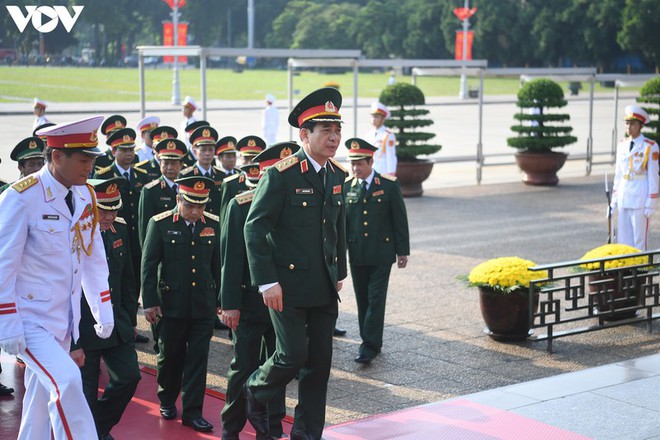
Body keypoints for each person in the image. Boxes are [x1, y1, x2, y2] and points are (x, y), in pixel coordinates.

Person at [0, 115, 114, 439]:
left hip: (63, 321)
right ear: (57, 156)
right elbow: (2, 263)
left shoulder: (84, 196)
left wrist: (101, 307)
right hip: (28, 320)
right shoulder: (21, 198)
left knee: (38, 399)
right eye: (83, 159)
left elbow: (92, 258)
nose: (89, 166)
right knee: (66, 381)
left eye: (92, 159)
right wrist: (5, 321)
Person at [243, 87, 348, 440]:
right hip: (285, 288)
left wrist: (339, 273)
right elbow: (254, 229)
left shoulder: (336, 175)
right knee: (291, 355)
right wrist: (266, 281)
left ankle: (307, 435)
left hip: (322, 285)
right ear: (304, 135)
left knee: (319, 367)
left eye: (337, 131)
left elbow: (338, 228)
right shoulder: (282, 175)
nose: (334, 138)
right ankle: (255, 389)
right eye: (325, 132)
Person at [220, 142, 299, 440]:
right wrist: (229, 305)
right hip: (250, 302)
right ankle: (232, 428)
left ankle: (271, 428)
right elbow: (231, 258)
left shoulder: (295, 201)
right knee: (243, 366)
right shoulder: (240, 205)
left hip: (283, 303)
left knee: (276, 369)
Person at [141, 176, 220, 433]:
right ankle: (166, 398)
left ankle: (193, 412)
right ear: (179, 200)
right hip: (171, 305)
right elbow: (149, 265)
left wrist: (221, 301)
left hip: (202, 306)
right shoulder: (161, 223)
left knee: (198, 360)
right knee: (170, 357)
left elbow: (218, 267)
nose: (196, 211)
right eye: (190, 205)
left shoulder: (213, 225)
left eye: (201, 206)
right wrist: (150, 303)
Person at [72, 177, 141, 440]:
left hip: (116, 323)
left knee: (129, 377)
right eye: (104, 209)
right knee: (85, 391)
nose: (110, 215)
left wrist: (129, 320)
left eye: (114, 208)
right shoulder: (74, 233)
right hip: (83, 327)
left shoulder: (119, 230)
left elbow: (128, 280)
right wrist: (71, 339)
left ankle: (97, 427)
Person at [343, 138, 410, 364]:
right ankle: (372, 340)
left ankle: (368, 345)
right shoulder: (346, 187)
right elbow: (342, 224)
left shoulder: (388, 185)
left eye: (359, 164)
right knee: (363, 299)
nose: (355, 169)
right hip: (357, 253)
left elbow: (399, 221)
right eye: (352, 164)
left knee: (375, 298)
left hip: (382, 253)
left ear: (371, 161)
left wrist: (403, 252)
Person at [94, 127, 151, 297]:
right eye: (124, 150)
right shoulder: (103, 175)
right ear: (114, 151)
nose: (129, 154)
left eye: (131, 149)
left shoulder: (141, 175)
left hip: (135, 236)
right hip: (113, 233)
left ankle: (130, 317)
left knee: (133, 278)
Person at [611, 105, 660, 250]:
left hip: (640, 196)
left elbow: (653, 177)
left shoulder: (650, 146)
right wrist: (613, 201)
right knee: (623, 238)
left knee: (639, 239)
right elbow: (618, 175)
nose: (629, 127)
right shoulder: (622, 145)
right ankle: (625, 269)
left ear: (640, 126)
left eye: (633, 124)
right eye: (627, 123)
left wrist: (651, 203)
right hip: (624, 195)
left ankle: (639, 269)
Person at [138, 137, 187, 246]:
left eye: (174, 163)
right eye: (166, 163)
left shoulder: (187, 188)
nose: (170, 167)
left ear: (181, 164)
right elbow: (144, 229)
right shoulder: (150, 191)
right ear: (160, 164)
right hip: (160, 246)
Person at [178, 125, 223, 215]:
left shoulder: (221, 175)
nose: (207, 154)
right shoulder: (186, 175)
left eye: (210, 150)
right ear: (195, 151)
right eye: (203, 150)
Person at [367, 102, 397, 176]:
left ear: (383, 119)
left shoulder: (388, 135)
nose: (373, 119)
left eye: (376, 117)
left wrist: (391, 173)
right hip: (370, 171)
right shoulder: (369, 134)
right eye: (372, 116)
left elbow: (391, 156)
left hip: (383, 172)